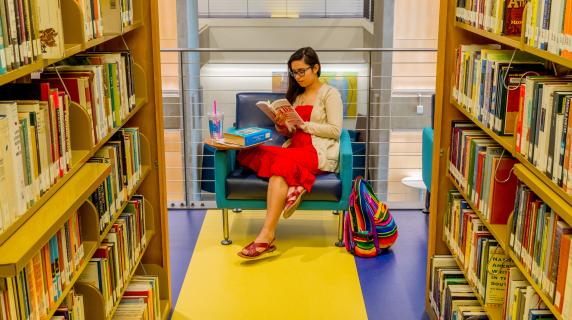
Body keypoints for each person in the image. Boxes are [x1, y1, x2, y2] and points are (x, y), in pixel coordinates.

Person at [237, 47, 343, 259]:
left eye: (302, 71)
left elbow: (335, 130)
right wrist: (281, 126)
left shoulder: (331, 94)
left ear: (316, 68)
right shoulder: (297, 96)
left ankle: (265, 236)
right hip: (294, 148)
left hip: (316, 152)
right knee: (248, 152)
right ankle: (298, 182)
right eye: (294, 72)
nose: (298, 77)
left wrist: (306, 126)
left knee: (274, 160)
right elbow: (291, 132)